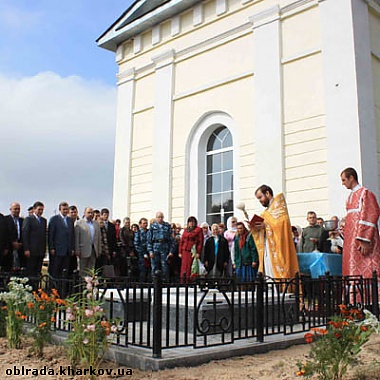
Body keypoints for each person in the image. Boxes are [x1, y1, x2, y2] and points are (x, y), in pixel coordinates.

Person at [251, 185, 299, 279]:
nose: (260, 201)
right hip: (267, 246)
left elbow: (282, 225)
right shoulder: (266, 212)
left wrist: (265, 225)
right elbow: (265, 225)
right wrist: (254, 228)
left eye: (260, 197)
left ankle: (282, 290)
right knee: (269, 273)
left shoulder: (279, 207)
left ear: (267, 193)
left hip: (279, 247)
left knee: (278, 273)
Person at [340, 167, 380, 277]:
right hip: (351, 242)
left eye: (344, 180)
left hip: (362, 241)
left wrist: (365, 239)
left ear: (351, 178)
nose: (343, 184)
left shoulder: (365, 193)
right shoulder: (349, 197)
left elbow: (371, 214)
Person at [48, 202, 75, 279]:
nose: (66, 211)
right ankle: (54, 289)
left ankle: (63, 289)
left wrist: (72, 248)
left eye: (67, 209)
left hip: (67, 251)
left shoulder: (70, 220)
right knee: (56, 271)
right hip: (57, 250)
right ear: (60, 209)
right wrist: (52, 247)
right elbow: (51, 235)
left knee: (65, 271)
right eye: (64, 209)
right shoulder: (54, 219)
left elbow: (72, 235)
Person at [22, 201, 47, 276]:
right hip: (31, 251)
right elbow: (25, 234)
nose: (40, 211)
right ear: (34, 209)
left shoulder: (43, 221)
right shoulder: (28, 219)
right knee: (30, 271)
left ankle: (36, 287)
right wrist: (26, 249)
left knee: (38, 272)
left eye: (42, 210)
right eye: (39, 209)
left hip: (40, 251)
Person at [147, 211, 173, 281]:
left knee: (164, 265)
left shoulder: (167, 226)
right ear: (156, 218)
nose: (160, 219)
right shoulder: (152, 227)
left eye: (161, 217)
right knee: (154, 265)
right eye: (159, 217)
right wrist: (150, 251)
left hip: (164, 247)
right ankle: (154, 281)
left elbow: (171, 240)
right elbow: (149, 240)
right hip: (155, 246)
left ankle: (165, 281)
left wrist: (171, 251)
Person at [74, 207, 101, 276]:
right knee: (82, 270)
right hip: (83, 251)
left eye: (92, 213)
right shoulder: (79, 223)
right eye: (88, 212)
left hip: (93, 250)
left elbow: (98, 238)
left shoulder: (96, 224)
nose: (90, 214)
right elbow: (77, 238)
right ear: (84, 213)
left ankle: (90, 286)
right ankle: (82, 286)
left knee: (91, 271)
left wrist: (99, 250)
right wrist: (77, 250)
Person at [178, 216, 203, 282]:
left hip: (192, 251)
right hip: (184, 251)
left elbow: (200, 242)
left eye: (192, 222)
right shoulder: (186, 230)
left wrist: (198, 252)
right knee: (184, 268)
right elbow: (182, 241)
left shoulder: (198, 230)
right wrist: (180, 252)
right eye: (190, 222)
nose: (191, 223)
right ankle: (183, 282)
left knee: (191, 267)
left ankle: (190, 282)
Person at [4, 202, 24, 271]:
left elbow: (24, 234)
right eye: (15, 209)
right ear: (10, 209)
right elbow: (5, 234)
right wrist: (12, 242)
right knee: (7, 269)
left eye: (18, 209)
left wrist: (21, 243)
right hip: (8, 249)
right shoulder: (5, 220)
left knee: (19, 270)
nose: (17, 211)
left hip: (20, 249)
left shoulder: (22, 221)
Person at [134, 217, 151, 282]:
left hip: (150, 253)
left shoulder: (149, 232)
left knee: (149, 270)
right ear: (140, 224)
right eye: (144, 223)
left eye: (146, 223)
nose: (145, 225)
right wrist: (143, 253)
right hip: (141, 254)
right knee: (142, 270)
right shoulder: (138, 233)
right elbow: (136, 244)